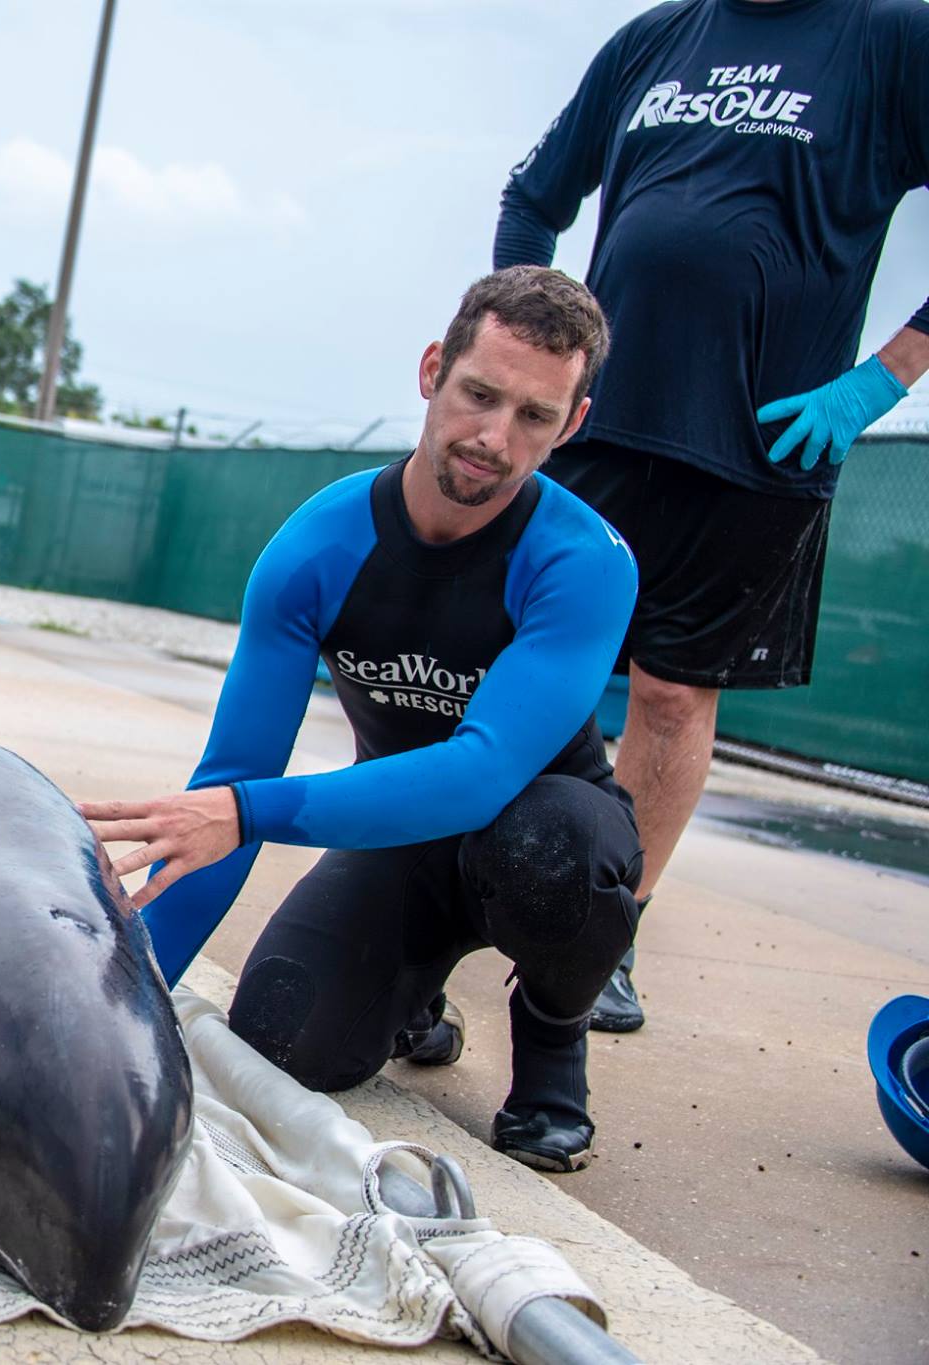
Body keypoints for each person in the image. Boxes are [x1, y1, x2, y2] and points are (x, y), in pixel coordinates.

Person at [83, 268, 642, 1172]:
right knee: (279, 1039)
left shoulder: (584, 562)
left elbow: (481, 771)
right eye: (479, 395)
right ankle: (413, 996)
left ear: (572, 423)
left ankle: (551, 1049)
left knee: (556, 848)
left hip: (545, 827)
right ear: (432, 371)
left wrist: (247, 810)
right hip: (404, 842)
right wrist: (127, 1002)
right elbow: (227, 785)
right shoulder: (319, 546)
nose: (494, 439)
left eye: (535, 417)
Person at [494, 0, 929, 1033]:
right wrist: (528, 358)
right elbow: (532, 197)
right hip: (595, 428)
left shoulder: (889, 40)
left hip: (761, 442)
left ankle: (604, 935)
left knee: (673, 697)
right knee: (512, 663)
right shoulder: (655, 39)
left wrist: (877, 381)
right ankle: (446, 901)